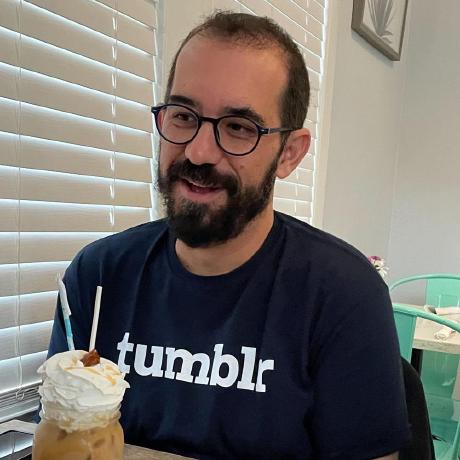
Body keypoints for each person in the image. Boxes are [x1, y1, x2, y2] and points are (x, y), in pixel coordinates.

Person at [47, 11, 410, 459]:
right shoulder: (99, 275)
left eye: (239, 128)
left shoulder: (344, 296)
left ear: (289, 154)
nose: (199, 151)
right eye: (184, 116)